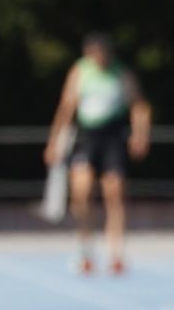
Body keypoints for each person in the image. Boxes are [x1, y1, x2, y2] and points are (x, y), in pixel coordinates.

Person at [43, 33, 151, 275]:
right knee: (81, 192)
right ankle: (85, 245)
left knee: (114, 191)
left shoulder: (121, 73)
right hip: (87, 137)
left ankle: (116, 251)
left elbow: (139, 105)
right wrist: (54, 142)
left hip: (112, 136)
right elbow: (66, 107)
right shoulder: (80, 72)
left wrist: (140, 134)